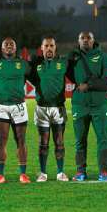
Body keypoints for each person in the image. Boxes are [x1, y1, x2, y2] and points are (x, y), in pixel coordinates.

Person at [67, 31, 107, 182]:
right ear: (78, 40)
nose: (85, 40)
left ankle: (104, 172)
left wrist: (89, 85)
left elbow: (106, 83)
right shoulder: (72, 57)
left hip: (99, 105)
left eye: (88, 38)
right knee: (80, 140)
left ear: (94, 41)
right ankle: (80, 172)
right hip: (79, 105)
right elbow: (64, 72)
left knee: (103, 138)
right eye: (82, 38)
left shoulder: (103, 57)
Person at [28, 36, 70, 182]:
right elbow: (30, 77)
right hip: (42, 109)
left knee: (59, 141)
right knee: (43, 142)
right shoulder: (36, 64)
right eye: (46, 46)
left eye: (51, 46)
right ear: (42, 48)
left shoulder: (63, 63)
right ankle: (43, 173)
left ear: (55, 47)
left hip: (58, 108)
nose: (49, 48)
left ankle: (60, 172)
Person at [0, 37, 31, 184]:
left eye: (11, 44)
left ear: (15, 48)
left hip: (18, 105)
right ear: (2, 49)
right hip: (0, 105)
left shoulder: (23, 64)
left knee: (20, 139)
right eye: (6, 44)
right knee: (1, 140)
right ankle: (0, 175)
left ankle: (23, 174)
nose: (9, 46)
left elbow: (36, 78)